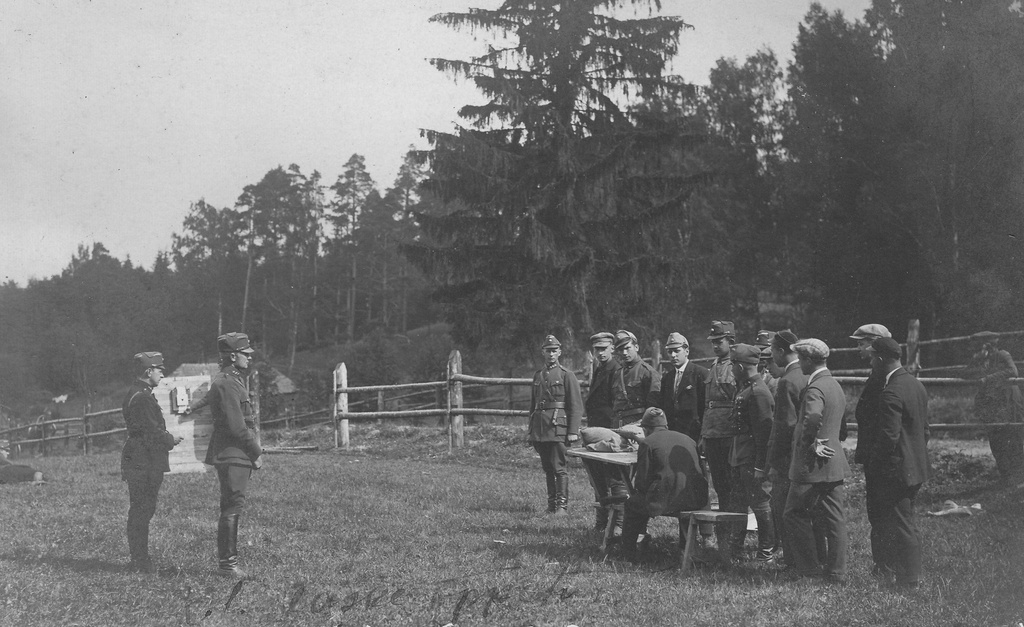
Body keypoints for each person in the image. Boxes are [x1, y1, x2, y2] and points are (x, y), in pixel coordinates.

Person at [864, 337, 930, 589]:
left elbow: (888, 437)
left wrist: (875, 464)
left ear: (880, 360)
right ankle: (906, 574)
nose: (870, 362)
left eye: (872, 358)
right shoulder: (915, 384)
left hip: (896, 470)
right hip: (914, 467)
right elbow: (925, 431)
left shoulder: (891, 391)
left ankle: (909, 579)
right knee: (905, 520)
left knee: (903, 524)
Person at [784, 338, 850, 581]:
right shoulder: (834, 385)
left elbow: (812, 417)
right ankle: (836, 571)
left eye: (801, 359)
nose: (799, 363)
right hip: (833, 463)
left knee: (793, 513)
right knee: (835, 516)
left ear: (810, 361)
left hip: (811, 465)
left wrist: (811, 443)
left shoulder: (815, 388)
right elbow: (841, 424)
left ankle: (809, 569)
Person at [201, 332, 264, 578]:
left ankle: (228, 563)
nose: (249, 358)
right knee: (231, 506)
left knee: (233, 505)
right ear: (233, 355)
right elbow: (237, 427)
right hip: (233, 453)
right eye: (245, 354)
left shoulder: (233, 380)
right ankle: (228, 565)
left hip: (236, 454)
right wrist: (256, 452)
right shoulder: (227, 383)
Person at [120, 351, 184, 574]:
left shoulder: (138, 393)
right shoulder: (143, 397)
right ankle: (140, 561)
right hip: (143, 461)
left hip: (139, 459)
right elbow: (150, 432)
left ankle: (140, 558)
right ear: (148, 372)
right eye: (159, 370)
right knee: (142, 510)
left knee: (141, 509)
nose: (162, 374)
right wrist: (170, 439)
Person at [616, 407, 708, 557]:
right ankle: (685, 546)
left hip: (665, 500)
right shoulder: (689, 439)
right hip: (695, 499)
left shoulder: (648, 443)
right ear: (665, 426)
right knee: (681, 499)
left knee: (632, 504)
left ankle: (628, 553)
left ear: (645, 429)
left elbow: (642, 482)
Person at [725, 344, 775, 561]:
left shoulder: (758, 392)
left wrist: (759, 466)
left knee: (760, 504)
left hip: (750, 458)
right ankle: (735, 550)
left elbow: (764, 434)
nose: (731, 369)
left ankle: (766, 552)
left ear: (741, 367)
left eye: (732, 365)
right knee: (738, 502)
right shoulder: (745, 388)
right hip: (739, 455)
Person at [528, 335, 583, 516]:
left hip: (558, 428)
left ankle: (562, 507)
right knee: (548, 469)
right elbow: (533, 406)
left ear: (559, 352)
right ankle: (551, 505)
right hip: (541, 429)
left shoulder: (567, 375)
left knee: (559, 468)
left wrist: (573, 431)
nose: (551, 354)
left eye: (554, 350)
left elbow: (575, 405)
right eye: (548, 350)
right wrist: (531, 431)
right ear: (542, 352)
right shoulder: (538, 375)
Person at [765, 330, 807, 568]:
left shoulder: (788, 381)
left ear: (781, 351)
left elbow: (784, 428)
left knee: (785, 511)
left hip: (787, 460)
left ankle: (794, 562)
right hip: (804, 456)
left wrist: (774, 463)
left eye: (772, 351)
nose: (771, 356)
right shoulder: (806, 375)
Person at [967, 331, 1024, 483]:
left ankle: (1019, 479)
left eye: (979, 348)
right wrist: (974, 364)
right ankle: (1006, 478)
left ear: (987, 346)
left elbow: (1013, 371)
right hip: (993, 407)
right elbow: (966, 373)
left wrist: (987, 378)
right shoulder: (980, 360)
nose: (976, 351)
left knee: (1014, 440)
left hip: (1009, 404)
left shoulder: (1003, 355)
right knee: (996, 442)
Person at [582, 331, 625, 530]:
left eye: (603, 349)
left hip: (608, 432)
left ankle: (616, 523)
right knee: (597, 477)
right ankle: (602, 522)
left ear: (612, 349)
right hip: (596, 431)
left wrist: (614, 434)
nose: (600, 353)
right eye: (596, 349)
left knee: (614, 478)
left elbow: (616, 404)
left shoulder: (616, 369)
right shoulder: (600, 369)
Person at [701, 321, 738, 523]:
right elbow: (708, 404)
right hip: (712, 432)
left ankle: (734, 526)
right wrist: (703, 434)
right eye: (713, 342)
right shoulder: (714, 365)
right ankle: (725, 525)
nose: (715, 346)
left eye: (719, 341)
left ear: (731, 341)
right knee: (719, 483)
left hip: (728, 433)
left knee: (731, 482)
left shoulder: (736, 366)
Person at [852, 324, 892, 464]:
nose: (858, 349)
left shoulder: (884, 375)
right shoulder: (876, 372)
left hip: (878, 453)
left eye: (861, 344)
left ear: (874, 344)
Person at [657, 332, 707, 442]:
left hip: (693, 433)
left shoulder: (700, 374)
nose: (673, 355)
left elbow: (705, 407)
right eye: (670, 352)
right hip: (671, 433)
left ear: (687, 351)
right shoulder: (667, 378)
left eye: (677, 351)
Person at [612, 330, 660, 427]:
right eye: (621, 350)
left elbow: (653, 407)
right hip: (618, 423)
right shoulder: (618, 373)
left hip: (638, 425)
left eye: (628, 348)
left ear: (636, 347)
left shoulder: (648, 372)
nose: (624, 353)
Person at [755, 330, 779, 396]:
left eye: (765, 350)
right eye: (758, 350)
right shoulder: (758, 370)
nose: (761, 354)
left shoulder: (777, 372)